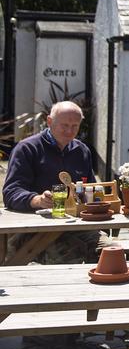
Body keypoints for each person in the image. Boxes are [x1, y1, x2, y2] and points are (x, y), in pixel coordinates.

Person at [2, 101, 102, 263]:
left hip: (76, 225)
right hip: (36, 228)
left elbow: (89, 188)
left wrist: (95, 198)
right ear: (49, 121)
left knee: (111, 253)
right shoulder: (27, 149)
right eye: (64, 125)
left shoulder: (82, 151)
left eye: (75, 126)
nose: (69, 131)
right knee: (68, 258)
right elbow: (11, 192)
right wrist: (38, 200)